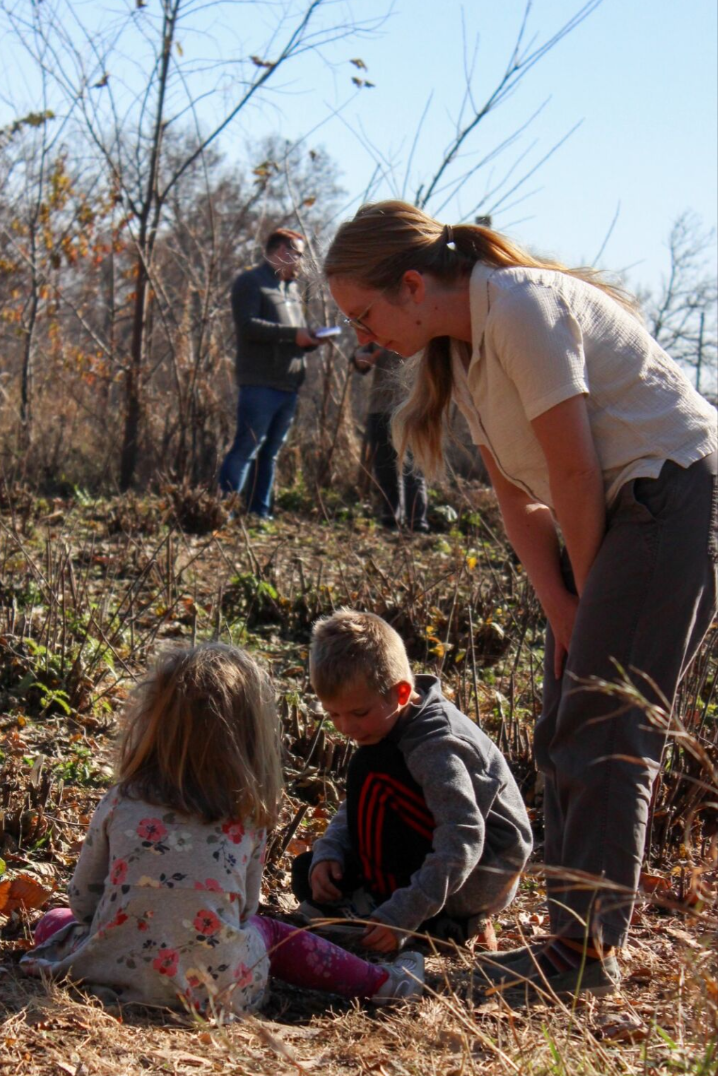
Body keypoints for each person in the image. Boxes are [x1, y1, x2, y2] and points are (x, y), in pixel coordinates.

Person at [322, 200, 717, 1001]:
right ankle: (571, 939)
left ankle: (584, 955)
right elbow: (521, 502)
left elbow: (572, 471)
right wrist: (564, 610)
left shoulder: (522, 307)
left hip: (673, 498)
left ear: (410, 283)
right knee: (561, 726)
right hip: (616, 517)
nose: (365, 336)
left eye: (366, 315)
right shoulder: (462, 355)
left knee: (606, 728)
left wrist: (592, 595)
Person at [21, 644, 424, 1013]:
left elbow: (83, 902)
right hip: (219, 992)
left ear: (152, 723)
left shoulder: (122, 799)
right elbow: (245, 910)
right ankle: (381, 983)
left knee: (52, 922)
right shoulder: (246, 814)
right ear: (250, 737)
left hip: (109, 971)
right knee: (267, 931)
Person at [292, 610, 533, 951]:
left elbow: (463, 835)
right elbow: (363, 803)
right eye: (333, 714)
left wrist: (402, 914)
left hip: (480, 874)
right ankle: (404, 907)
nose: (346, 727)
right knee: (310, 873)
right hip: (443, 858)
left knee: (370, 766)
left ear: (401, 692)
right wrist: (330, 850)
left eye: (359, 713)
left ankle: (429, 920)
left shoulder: (435, 746)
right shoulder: (392, 723)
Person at [218, 228, 328, 519]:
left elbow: (292, 336)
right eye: (299, 255)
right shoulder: (251, 282)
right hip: (260, 384)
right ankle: (221, 512)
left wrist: (309, 339)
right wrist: (295, 335)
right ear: (281, 251)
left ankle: (259, 514)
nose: (301, 263)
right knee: (246, 448)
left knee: (270, 454)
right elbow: (248, 326)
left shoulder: (291, 290)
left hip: (288, 385)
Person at [352, 343, 429, 531]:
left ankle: (416, 523)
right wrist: (360, 358)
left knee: (414, 467)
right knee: (385, 467)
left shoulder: (427, 321)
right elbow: (360, 355)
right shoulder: (380, 322)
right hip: (381, 407)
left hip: (413, 407)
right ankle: (390, 519)